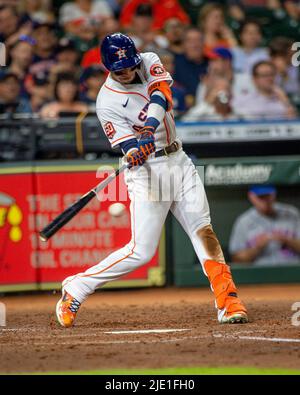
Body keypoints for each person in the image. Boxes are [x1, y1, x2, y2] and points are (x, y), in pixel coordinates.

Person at [56, 32, 248, 328]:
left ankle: (228, 300)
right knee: (141, 252)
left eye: (129, 65)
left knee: (203, 231)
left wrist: (147, 130)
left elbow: (163, 96)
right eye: (119, 69)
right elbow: (126, 145)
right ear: (108, 68)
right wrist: (135, 150)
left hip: (179, 161)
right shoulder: (106, 101)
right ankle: (77, 287)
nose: (127, 72)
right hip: (147, 173)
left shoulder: (149, 61)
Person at [229, 185, 300, 266]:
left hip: (293, 273)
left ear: (274, 194)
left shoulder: (292, 214)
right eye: (260, 197)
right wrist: (257, 248)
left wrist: (287, 240)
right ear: (251, 196)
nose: (265, 200)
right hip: (260, 275)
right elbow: (237, 259)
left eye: (268, 196)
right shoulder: (244, 221)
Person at [232, 60, 297, 119]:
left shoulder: (283, 100)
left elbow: (292, 122)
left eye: (271, 74)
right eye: (264, 75)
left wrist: (285, 101)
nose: (269, 78)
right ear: (254, 79)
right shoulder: (242, 100)